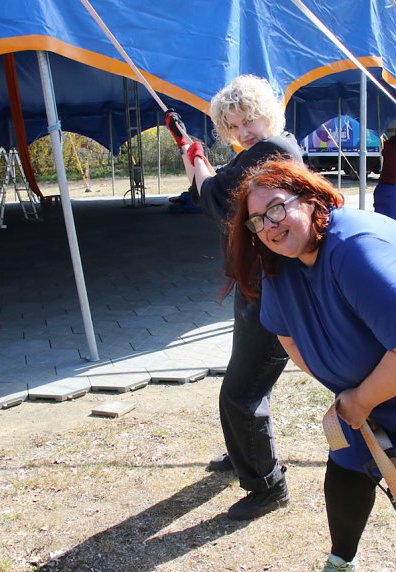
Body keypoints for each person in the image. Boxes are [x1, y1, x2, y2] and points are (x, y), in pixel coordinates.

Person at [224, 159, 396, 572]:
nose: (269, 225)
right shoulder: (279, 261)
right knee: (348, 465)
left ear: (310, 198)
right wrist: (350, 391)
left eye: (278, 208)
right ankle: (340, 561)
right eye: (257, 221)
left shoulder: (355, 247)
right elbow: (289, 336)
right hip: (366, 388)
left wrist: (360, 396)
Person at [163, 74, 303, 521]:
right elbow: (217, 190)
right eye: (234, 126)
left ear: (268, 114)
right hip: (258, 285)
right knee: (246, 383)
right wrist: (194, 154)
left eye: (250, 120)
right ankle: (244, 454)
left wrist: (195, 157)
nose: (243, 132)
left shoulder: (273, 152)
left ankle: (267, 487)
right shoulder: (263, 153)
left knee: (241, 394)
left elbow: (216, 197)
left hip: (276, 291)